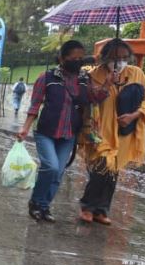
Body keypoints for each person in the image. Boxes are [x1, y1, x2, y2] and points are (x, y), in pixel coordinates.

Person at [77, 39, 145, 225]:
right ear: (105, 58)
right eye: (114, 58)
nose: (119, 61)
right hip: (100, 131)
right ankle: (87, 207)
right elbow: (89, 99)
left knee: (113, 172)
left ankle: (101, 210)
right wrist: (107, 84)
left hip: (125, 132)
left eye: (123, 57)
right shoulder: (94, 75)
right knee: (102, 167)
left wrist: (134, 115)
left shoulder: (136, 74)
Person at [15, 41, 93, 222]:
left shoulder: (83, 80)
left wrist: (107, 84)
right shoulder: (47, 78)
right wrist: (25, 128)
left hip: (69, 134)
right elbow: (35, 105)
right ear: (62, 58)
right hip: (46, 131)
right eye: (74, 58)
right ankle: (35, 202)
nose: (78, 61)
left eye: (81, 58)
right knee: (51, 166)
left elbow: (92, 99)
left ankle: (44, 206)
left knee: (58, 173)